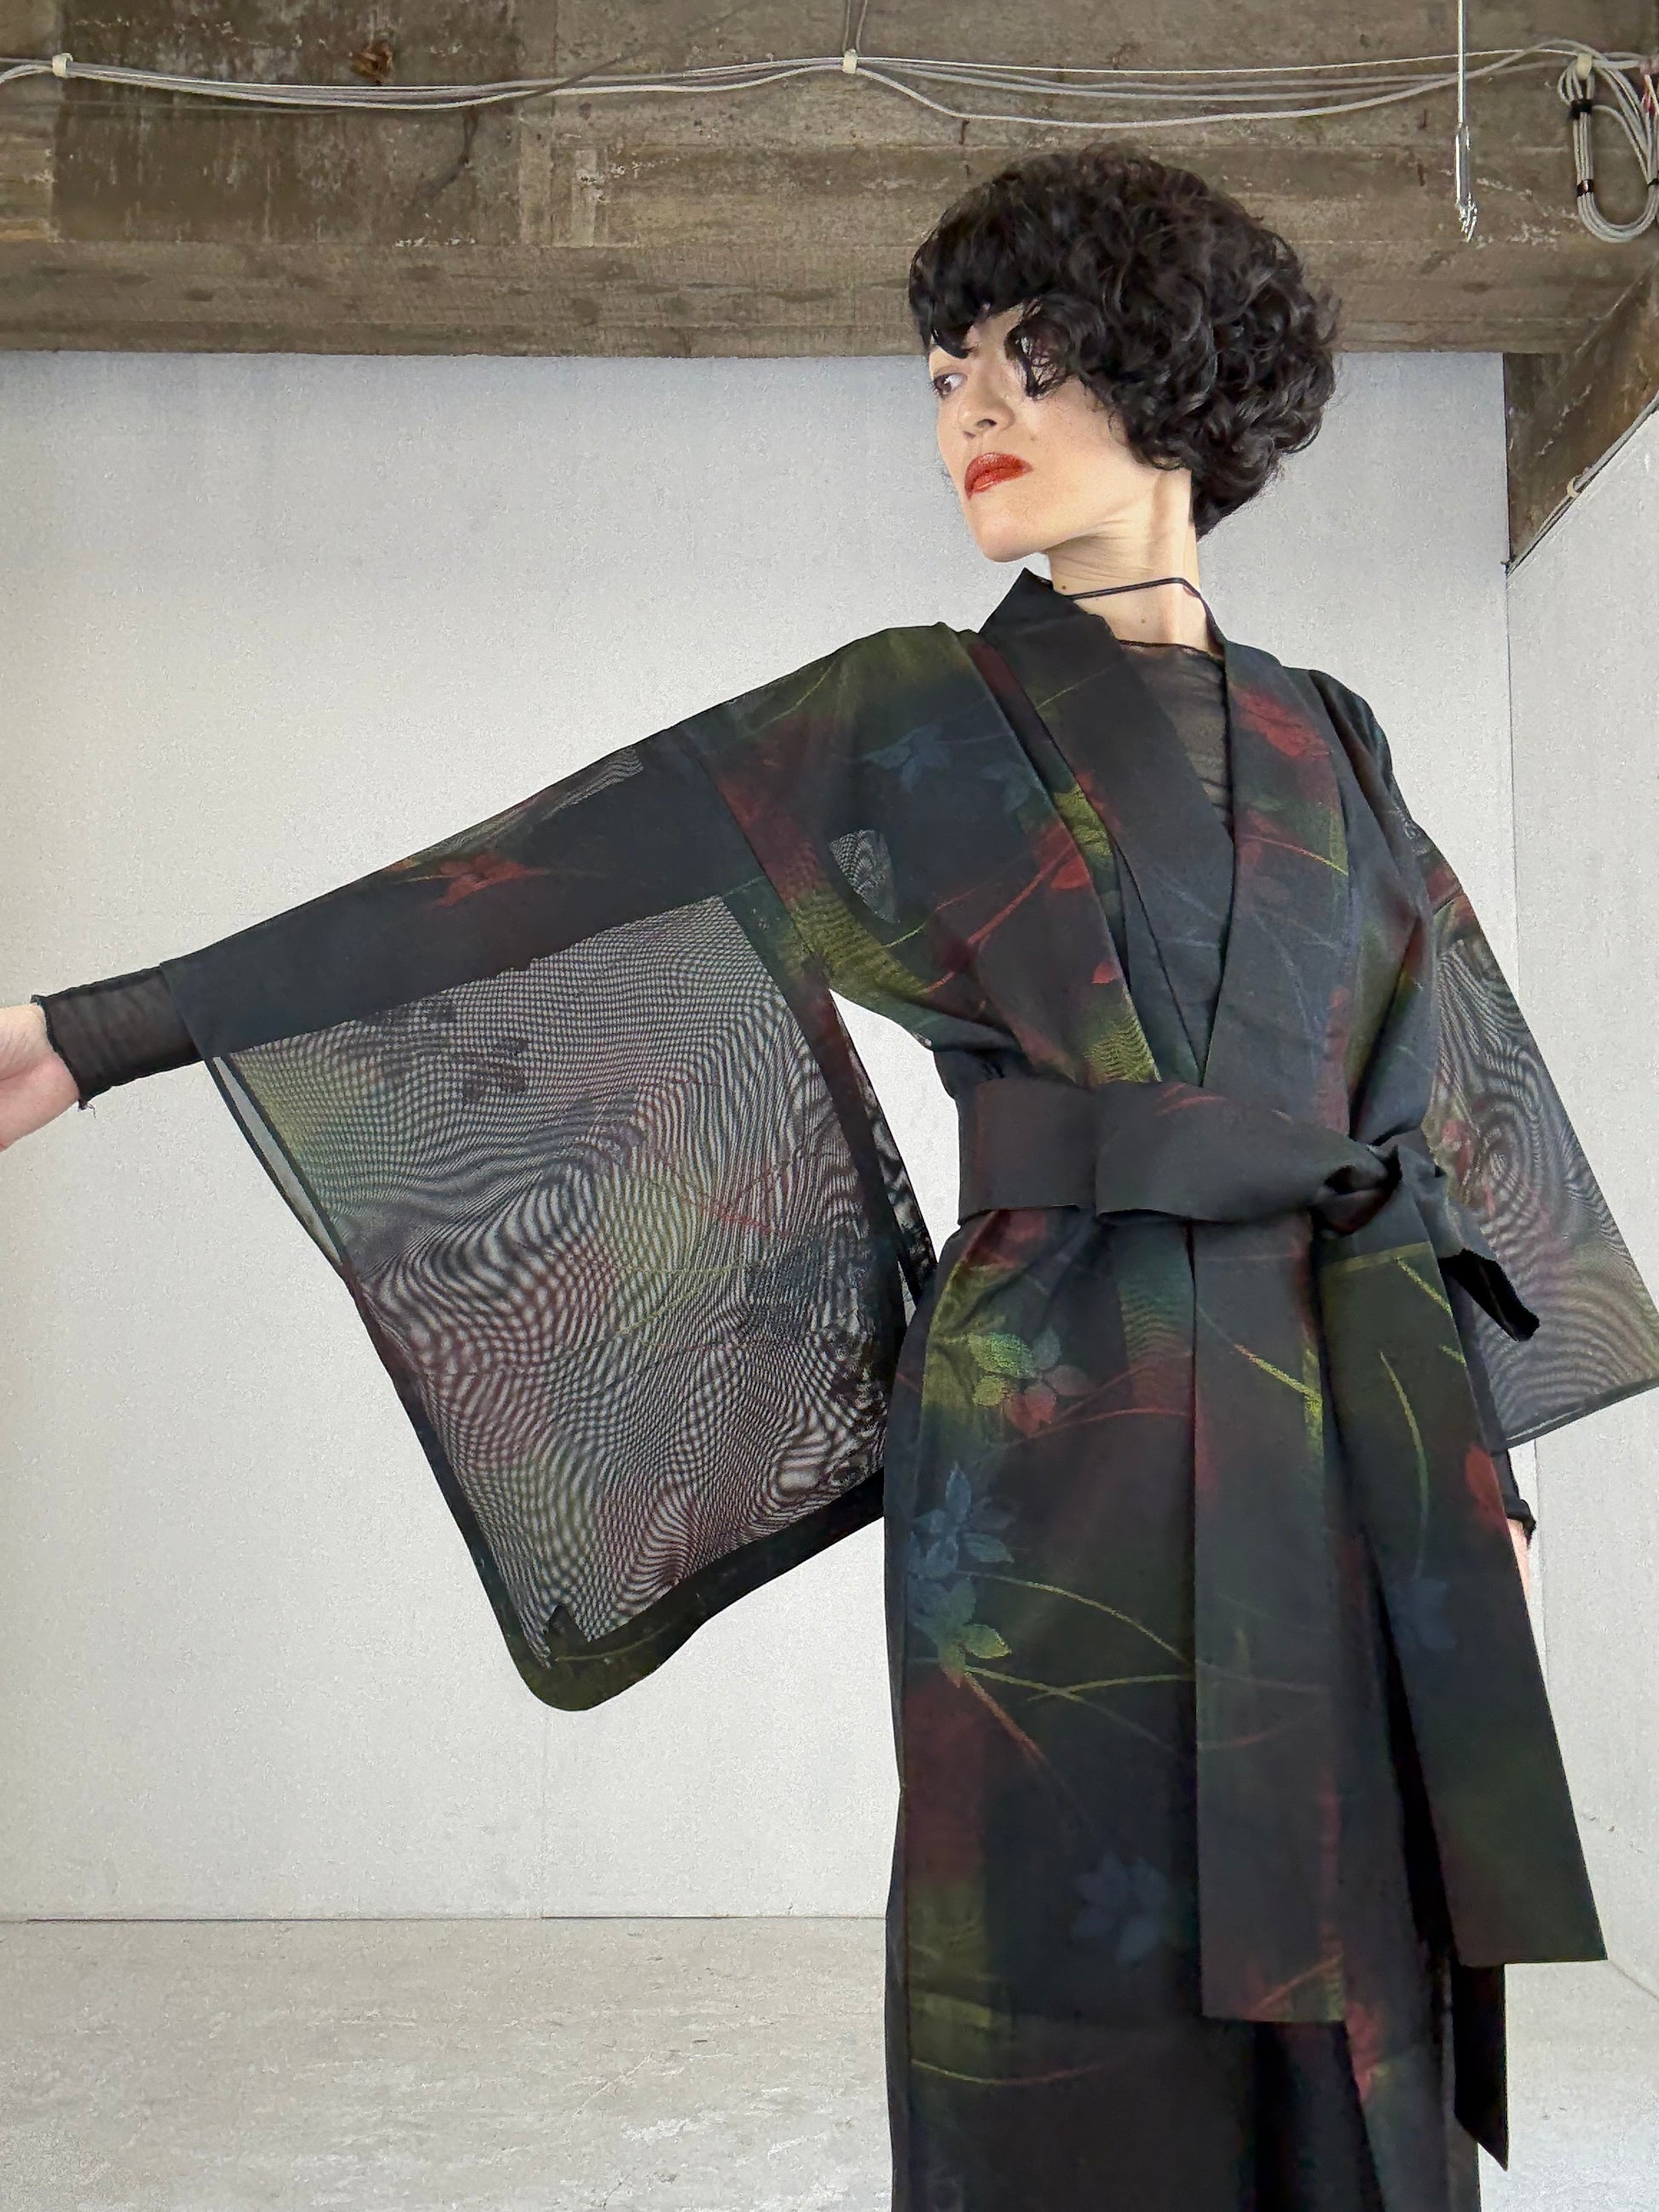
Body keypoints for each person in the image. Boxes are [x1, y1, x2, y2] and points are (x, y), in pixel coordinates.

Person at [3, 147, 1654, 2212]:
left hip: (1344, 1424)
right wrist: (99, 1028)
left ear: (1175, 374)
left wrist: (1489, 1476)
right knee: (1058, 1955)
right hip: (1054, 1428)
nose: (969, 410)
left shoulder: (1335, 733)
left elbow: (1434, 1086)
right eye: (943, 370)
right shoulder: (901, 710)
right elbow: (532, 876)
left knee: (1354, 1938)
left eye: (1028, 357)